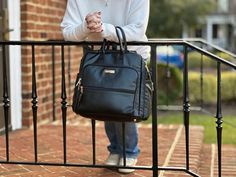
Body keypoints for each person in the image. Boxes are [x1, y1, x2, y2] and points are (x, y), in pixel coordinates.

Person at [61, 0, 150, 173]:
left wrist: (104, 29)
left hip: (131, 57)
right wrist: (87, 26)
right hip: (98, 57)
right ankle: (116, 149)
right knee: (106, 102)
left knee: (124, 105)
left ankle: (129, 152)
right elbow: (67, 31)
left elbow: (138, 29)